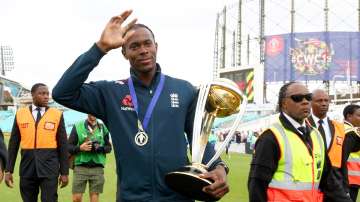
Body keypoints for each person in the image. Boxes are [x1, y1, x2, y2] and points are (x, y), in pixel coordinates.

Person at [52, 10, 229, 202]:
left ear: (156, 47)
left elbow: (199, 138)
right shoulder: (110, 92)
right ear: (124, 53)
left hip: (178, 196)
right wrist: (100, 48)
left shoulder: (184, 89)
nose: (143, 50)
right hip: (131, 197)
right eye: (134, 46)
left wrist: (219, 167)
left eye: (147, 43)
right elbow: (62, 92)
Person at [247, 82, 352, 202]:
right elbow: (257, 186)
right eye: (297, 98)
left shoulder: (316, 135)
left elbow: (329, 182)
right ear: (284, 104)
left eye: (308, 97)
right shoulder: (270, 137)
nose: (305, 102)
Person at [5, 83, 69, 202]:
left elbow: (63, 145)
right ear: (33, 95)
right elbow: (13, 144)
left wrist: (64, 172)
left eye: (47, 94)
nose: (46, 97)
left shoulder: (57, 115)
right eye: (42, 93)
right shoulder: (20, 114)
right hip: (27, 169)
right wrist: (9, 170)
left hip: (50, 169)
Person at [308, 89, 360, 201]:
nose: (323, 103)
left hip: (336, 183)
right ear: (310, 103)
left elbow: (343, 160)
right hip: (311, 181)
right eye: (319, 100)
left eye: (326, 100)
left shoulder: (339, 127)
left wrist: (345, 186)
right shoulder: (304, 125)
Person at [68, 114, 112, 202]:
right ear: (87, 112)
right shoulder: (78, 126)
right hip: (80, 167)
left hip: (97, 167)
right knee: (76, 198)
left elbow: (109, 148)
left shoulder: (103, 128)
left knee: (95, 198)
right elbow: (68, 147)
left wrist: (100, 148)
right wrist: (80, 148)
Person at [343, 104, 360, 202]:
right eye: (359, 115)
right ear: (349, 116)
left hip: (348, 178)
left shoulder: (340, 128)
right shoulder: (350, 133)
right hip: (350, 178)